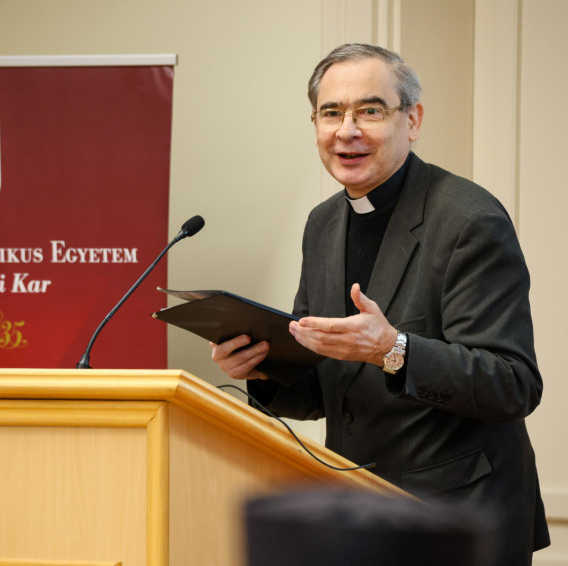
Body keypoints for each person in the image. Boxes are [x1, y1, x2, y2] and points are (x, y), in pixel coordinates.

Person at [211, 43, 550, 564]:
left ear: (412, 120)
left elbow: (512, 383)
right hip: (355, 515)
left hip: (457, 519)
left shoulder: (468, 219)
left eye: (369, 110)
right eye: (331, 113)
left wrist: (394, 349)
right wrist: (262, 368)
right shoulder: (323, 224)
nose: (347, 131)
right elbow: (325, 391)